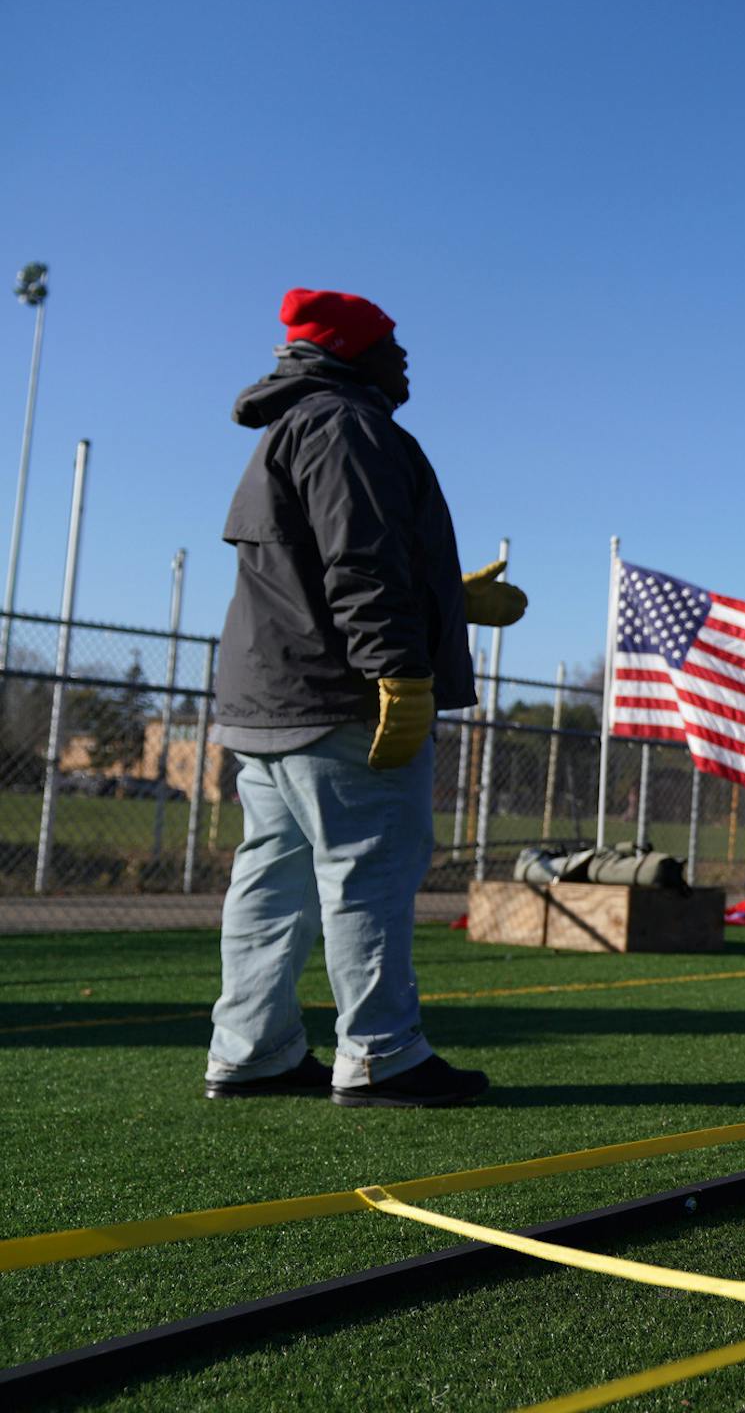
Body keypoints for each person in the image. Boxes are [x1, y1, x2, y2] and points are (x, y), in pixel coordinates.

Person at [206, 288, 526, 1108]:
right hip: (340, 698)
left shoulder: (298, 424)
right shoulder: (348, 424)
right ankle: (382, 1054)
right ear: (350, 353)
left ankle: (254, 1051)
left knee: (271, 879)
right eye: (391, 342)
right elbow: (360, 562)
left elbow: (327, 563)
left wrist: (442, 599)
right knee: (369, 869)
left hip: (272, 699)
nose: (406, 356)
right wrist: (401, 669)